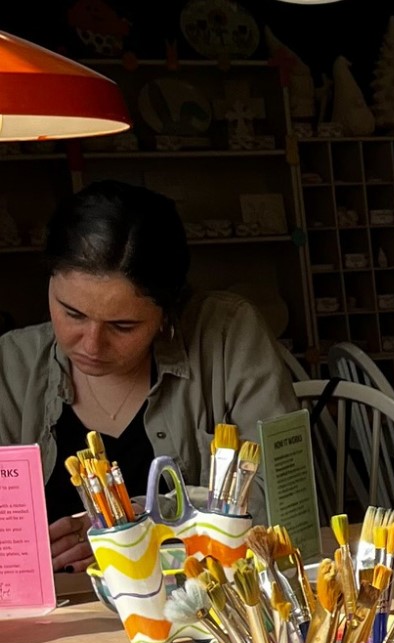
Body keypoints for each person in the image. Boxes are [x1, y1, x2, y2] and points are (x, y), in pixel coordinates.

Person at [0, 181, 295, 571]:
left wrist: (154, 527)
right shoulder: (12, 364)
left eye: (123, 326)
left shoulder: (226, 336)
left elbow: (283, 502)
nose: (91, 344)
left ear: (168, 313)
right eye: (72, 314)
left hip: (199, 602)